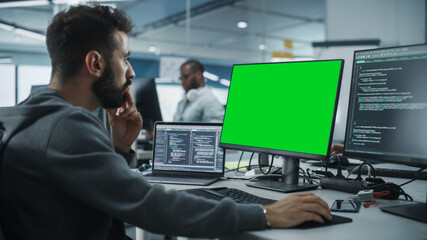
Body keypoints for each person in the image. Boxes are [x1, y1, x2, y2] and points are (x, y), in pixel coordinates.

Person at [0, 4, 331, 240]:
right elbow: (149, 206)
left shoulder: (32, 116)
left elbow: (102, 194)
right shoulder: (64, 128)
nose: (131, 72)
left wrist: (117, 149)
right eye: (125, 58)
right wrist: (266, 214)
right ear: (96, 62)